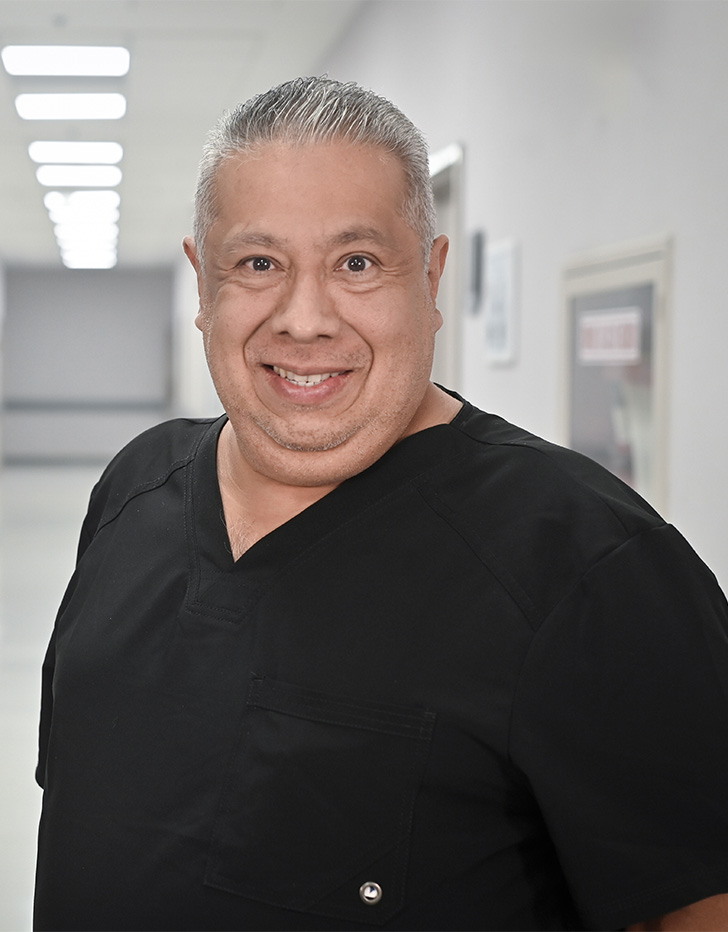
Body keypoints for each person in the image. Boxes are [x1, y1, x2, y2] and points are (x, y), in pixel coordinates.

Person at [33, 76, 728, 932]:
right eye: (258, 264)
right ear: (203, 285)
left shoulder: (590, 564)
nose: (305, 320)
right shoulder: (135, 488)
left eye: (356, 263)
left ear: (430, 278)